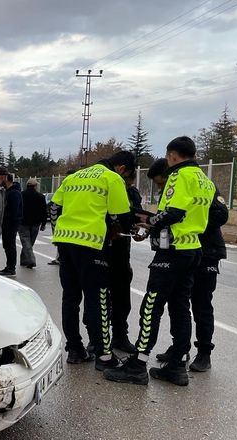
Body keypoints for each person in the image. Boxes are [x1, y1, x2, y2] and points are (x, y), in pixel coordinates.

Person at [104, 137, 215, 386]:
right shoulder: (205, 179)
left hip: (172, 251)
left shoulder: (179, 176)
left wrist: (150, 223)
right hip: (193, 248)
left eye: (168, 157)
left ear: (172, 155)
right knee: (180, 307)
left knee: (151, 307)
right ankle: (177, 366)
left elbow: (175, 213)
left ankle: (138, 365)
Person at [50, 152, 134, 369]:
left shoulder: (73, 177)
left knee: (70, 299)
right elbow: (122, 216)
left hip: (65, 244)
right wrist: (119, 230)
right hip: (91, 245)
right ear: (122, 169)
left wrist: (57, 230)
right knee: (97, 300)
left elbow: (53, 206)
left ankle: (75, 350)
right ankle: (103, 357)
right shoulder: (111, 178)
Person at [146, 159, 228, 372]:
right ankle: (179, 349)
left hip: (206, 251)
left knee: (200, 302)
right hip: (185, 250)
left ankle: (204, 353)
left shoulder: (195, 182)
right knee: (178, 301)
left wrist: (193, 225)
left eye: (161, 183)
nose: (161, 188)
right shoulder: (178, 186)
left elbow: (221, 214)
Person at [101, 166, 142, 355]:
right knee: (100, 298)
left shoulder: (132, 193)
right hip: (102, 249)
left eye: (129, 183)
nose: (127, 185)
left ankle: (120, 336)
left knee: (122, 297)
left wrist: (137, 228)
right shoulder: (104, 187)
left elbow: (136, 217)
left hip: (122, 251)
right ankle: (99, 339)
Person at [19, 178, 47, 269]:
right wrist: (43, 223)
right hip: (36, 223)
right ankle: (31, 260)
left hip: (23, 222)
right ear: (35, 186)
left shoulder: (21, 195)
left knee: (26, 242)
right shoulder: (41, 196)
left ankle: (24, 260)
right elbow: (44, 211)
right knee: (29, 242)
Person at [0, 173, 23, 276]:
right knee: (7, 245)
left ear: (7, 179)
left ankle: (11, 268)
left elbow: (13, 211)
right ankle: (9, 266)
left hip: (10, 224)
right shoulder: (8, 191)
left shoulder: (14, 193)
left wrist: (8, 221)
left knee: (10, 246)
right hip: (8, 223)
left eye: (3, 179)